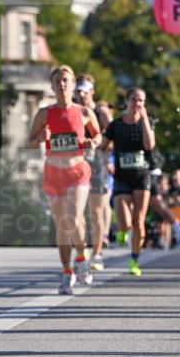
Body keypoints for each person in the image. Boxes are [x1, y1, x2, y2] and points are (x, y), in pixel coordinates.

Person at [28, 65, 101, 295]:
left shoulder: (84, 112)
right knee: (62, 225)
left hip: (77, 172)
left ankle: (81, 258)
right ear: (52, 85)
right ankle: (67, 270)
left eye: (66, 80)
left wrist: (93, 142)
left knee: (73, 217)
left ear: (72, 84)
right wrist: (40, 138)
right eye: (58, 80)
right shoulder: (43, 113)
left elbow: (98, 134)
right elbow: (29, 142)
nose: (62, 84)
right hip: (53, 173)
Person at [98, 87, 155, 277]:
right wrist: (107, 162)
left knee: (139, 221)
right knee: (124, 221)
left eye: (141, 101)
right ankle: (122, 230)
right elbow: (101, 148)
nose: (137, 104)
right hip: (121, 176)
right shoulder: (116, 125)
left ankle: (134, 259)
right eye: (134, 100)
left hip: (141, 175)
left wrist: (145, 119)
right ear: (127, 102)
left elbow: (149, 145)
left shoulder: (147, 123)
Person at [73, 75, 112, 271]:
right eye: (77, 90)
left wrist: (99, 145)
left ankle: (97, 254)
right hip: (74, 165)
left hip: (97, 164)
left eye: (84, 90)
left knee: (95, 212)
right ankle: (82, 249)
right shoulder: (71, 109)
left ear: (92, 91)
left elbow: (114, 136)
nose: (80, 94)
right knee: (76, 212)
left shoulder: (101, 111)